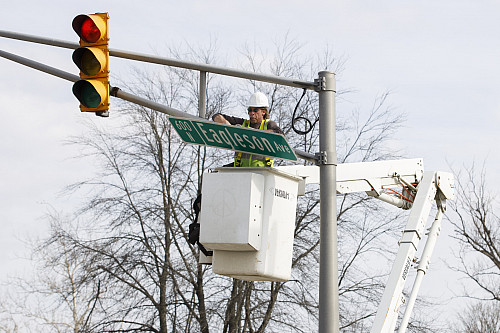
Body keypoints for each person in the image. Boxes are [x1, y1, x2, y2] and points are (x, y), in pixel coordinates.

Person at [212, 91, 282, 167]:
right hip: (241, 171)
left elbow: (280, 135)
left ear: (263, 112)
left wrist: (255, 133)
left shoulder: (269, 124)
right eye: (249, 110)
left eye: (255, 110)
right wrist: (228, 126)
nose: (252, 113)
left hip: (262, 173)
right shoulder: (243, 123)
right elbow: (216, 116)